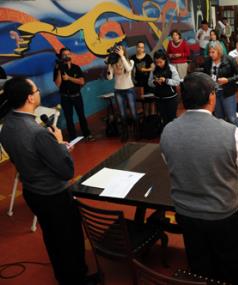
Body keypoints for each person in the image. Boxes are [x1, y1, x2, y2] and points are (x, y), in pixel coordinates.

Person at [160, 72, 238, 285]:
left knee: (199, 264)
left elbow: (171, 164)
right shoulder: (230, 132)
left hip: (186, 214)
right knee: (228, 267)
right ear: (212, 96)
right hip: (222, 216)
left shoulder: (168, 131)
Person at [0, 77, 97, 285]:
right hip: (54, 196)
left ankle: (62, 276)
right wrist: (60, 144)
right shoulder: (37, 133)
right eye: (35, 89)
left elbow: (24, 158)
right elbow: (66, 171)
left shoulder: (7, 126)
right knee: (70, 239)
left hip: (33, 192)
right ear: (29, 97)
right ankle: (77, 278)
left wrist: (53, 149)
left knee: (53, 238)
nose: (38, 92)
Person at [53, 47, 94, 141]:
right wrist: (59, 70)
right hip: (65, 97)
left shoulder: (76, 67)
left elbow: (82, 82)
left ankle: (87, 134)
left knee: (81, 116)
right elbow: (58, 84)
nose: (67, 56)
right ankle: (73, 138)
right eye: (64, 55)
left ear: (71, 55)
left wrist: (69, 78)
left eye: (68, 54)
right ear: (61, 56)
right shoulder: (57, 69)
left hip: (76, 96)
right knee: (69, 118)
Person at [203, 41, 238, 127]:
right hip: (214, 94)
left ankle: (237, 138)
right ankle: (223, 139)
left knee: (232, 118)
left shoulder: (229, 59)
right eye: (209, 52)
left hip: (228, 93)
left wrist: (228, 80)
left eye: (213, 52)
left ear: (219, 51)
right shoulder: (207, 61)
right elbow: (205, 76)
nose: (211, 55)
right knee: (219, 118)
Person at [106, 44, 137, 141]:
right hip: (118, 90)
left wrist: (122, 56)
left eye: (119, 50)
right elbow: (109, 77)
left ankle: (136, 133)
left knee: (133, 113)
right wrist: (109, 65)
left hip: (129, 89)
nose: (118, 52)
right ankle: (125, 134)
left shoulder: (130, 61)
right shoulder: (113, 62)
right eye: (117, 50)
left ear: (123, 51)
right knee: (122, 114)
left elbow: (128, 69)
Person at [148, 50, 180, 127]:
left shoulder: (171, 68)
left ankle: (173, 135)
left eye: (160, 62)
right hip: (159, 98)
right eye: (156, 62)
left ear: (165, 60)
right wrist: (155, 82)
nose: (158, 64)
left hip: (171, 98)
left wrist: (166, 80)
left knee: (172, 118)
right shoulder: (154, 69)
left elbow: (177, 82)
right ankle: (165, 135)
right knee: (163, 118)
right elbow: (149, 82)